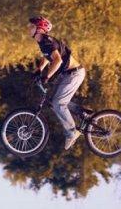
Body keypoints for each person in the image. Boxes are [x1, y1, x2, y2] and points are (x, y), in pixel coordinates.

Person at [28, 16, 86, 150]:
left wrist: (47, 76)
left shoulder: (48, 41)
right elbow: (47, 57)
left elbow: (58, 60)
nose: (29, 29)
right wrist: (39, 69)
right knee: (53, 101)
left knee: (58, 103)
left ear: (40, 29)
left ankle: (72, 132)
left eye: (32, 26)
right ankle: (83, 113)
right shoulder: (43, 42)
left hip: (74, 74)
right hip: (67, 74)